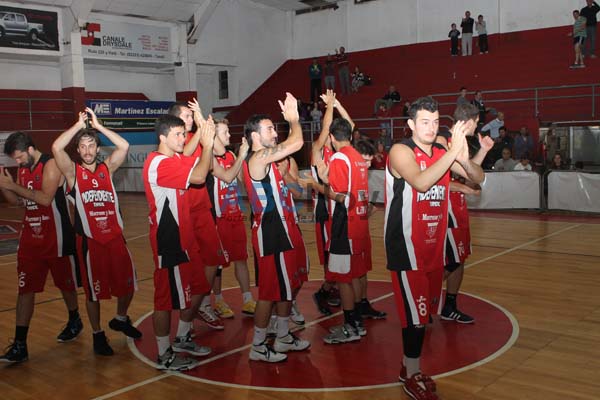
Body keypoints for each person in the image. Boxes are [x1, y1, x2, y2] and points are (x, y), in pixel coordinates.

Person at [385, 96, 484, 400]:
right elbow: (421, 182)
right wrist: (451, 153)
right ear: (412, 124)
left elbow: (478, 178)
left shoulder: (443, 150)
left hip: (434, 247)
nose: (431, 127)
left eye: (436, 121)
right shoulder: (401, 151)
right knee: (414, 317)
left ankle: (407, 366)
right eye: (424, 122)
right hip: (407, 248)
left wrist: (463, 157)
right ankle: (411, 373)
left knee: (424, 316)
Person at [52, 108, 141, 356]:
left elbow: (123, 146)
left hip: (115, 238)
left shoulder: (107, 169)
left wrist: (99, 127)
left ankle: (121, 319)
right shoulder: (72, 174)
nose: (88, 150)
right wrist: (77, 125)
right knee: (94, 292)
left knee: (128, 286)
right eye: (83, 146)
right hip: (89, 242)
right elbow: (57, 148)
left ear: (97, 149)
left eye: (92, 146)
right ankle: (97, 333)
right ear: (78, 150)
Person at [0, 132, 81, 364]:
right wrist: (5, 187)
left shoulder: (51, 163)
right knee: (25, 288)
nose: (17, 162)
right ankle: (19, 344)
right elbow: (16, 202)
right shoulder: (23, 169)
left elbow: (45, 199)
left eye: (18, 157)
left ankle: (74, 317)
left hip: (56, 236)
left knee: (66, 285)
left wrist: (12, 185)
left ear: (30, 149)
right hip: (30, 240)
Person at [143, 114, 216, 371]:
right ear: (162, 137)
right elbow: (198, 177)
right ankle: (164, 353)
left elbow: (198, 168)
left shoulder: (175, 159)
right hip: (170, 241)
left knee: (199, 286)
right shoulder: (158, 163)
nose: (182, 138)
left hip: (186, 239)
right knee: (165, 299)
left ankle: (183, 336)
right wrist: (206, 145)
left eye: (183, 134)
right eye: (177, 134)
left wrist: (203, 135)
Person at [243, 93, 310, 363]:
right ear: (254, 135)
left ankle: (282, 336)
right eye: (270, 128)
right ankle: (258, 346)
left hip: (286, 227)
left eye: (275, 127)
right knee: (269, 293)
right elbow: (297, 142)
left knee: (287, 287)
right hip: (271, 231)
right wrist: (293, 119)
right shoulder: (258, 159)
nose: (275, 132)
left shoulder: (270, 162)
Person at [168, 101, 241, 331]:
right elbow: (184, 160)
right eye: (187, 116)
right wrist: (201, 127)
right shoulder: (176, 145)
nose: (191, 119)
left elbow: (219, 151)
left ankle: (199, 302)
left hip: (204, 210)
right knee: (190, 267)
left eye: (191, 116)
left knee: (213, 260)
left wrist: (202, 121)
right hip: (184, 213)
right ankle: (187, 316)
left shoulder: (199, 140)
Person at [317, 117, 376, 345]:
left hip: (344, 225)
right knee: (352, 275)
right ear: (350, 136)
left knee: (343, 279)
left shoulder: (341, 158)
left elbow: (342, 197)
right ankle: (357, 323)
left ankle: (350, 326)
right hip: (359, 225)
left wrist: (317, 186)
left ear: (332, 137)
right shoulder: (358, 158)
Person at [436, 103, 494, 325]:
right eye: (477, 122)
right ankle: (425, 294)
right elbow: (432, 177)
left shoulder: (459, 143)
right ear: (469, 121)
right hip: (443, 208)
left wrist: (484, 151)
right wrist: (462, 188)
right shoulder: (442, 140)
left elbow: (470, 174)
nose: (477, 126)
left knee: (459, 259)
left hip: (457, 208)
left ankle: (449, 306)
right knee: (451, 260)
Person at [205, 119, 256, 319]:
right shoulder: (209, 157)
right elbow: (226, 176)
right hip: (218, 219)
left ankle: (247, 299)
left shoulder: (232, 154)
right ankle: (217, 300)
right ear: (214, 136)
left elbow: (241, 179)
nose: (229, 136)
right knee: (217, 264)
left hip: (235, 215)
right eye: (225, 132)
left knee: (241, 258)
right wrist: (241, 156)